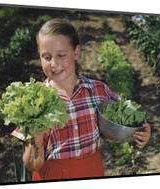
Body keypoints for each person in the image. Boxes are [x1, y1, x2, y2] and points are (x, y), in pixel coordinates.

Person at [21, 18, 151, 181]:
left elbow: (129, 119)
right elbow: (32, 163)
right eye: (46, 57)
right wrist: (36, 139)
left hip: (92, 170)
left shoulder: (98, 90)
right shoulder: (34, 101)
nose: (54, 64)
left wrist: (143, 130)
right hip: (53, 175)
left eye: (61, 55)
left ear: (76, 52)